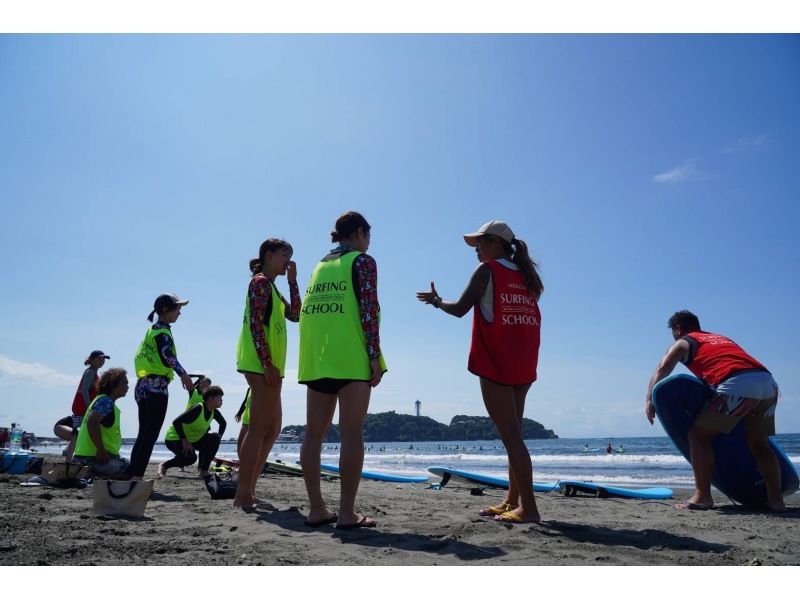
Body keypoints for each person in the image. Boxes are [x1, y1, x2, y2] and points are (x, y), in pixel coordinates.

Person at [417, 220, 543, 524]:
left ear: (496, 244)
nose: (476, 250)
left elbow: (460, 309)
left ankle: (530, 508)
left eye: (481, 243)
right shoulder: (527, 276)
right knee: (516, 436)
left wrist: (436, 302)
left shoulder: (487, 271)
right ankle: (512, 500)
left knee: (512, 438)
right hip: (524, 363)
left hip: (497, 362)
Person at [645, 310, 785, 512]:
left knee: (698, 435)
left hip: (737, 383)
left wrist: (650, 398)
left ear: (677, 329)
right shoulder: (719, 338)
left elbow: (662, 368)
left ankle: (702, 497)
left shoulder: (684, 342)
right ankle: (776, 501)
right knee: (759, 443)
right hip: (768, 383)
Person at [299, 211, 387, 529]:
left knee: (313, 433)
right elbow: (367, 310)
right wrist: (375, 357)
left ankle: (316, 508)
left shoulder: (319, 266)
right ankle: (347, 513)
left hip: (316, 357)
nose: (369, 241)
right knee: (351, 433)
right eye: (368, 235)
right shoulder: (363, 261)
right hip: (351, 356)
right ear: (360, 233)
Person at [234, 238, 300, 509]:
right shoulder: (260, 282)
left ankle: (249, 489)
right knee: (259, 429)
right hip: (262, 366)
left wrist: (293, 281)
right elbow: (254, 324)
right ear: (269, 255)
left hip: (270, 366)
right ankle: (243, 494)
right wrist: (267, 362)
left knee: (272, 429)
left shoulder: (271, 286)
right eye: (285, 256)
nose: (288, 261)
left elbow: (295, 315)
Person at [128, 294, 193, 480]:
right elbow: (167, 356)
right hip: (156, 388)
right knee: (149, 436)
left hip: (142, 386)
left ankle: (133, 473)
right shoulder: (162, 332)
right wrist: (183, 374)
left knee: (144, 434)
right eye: (177, 308)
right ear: (165, 310)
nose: (179, 312)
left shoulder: (152, 330)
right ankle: (135, 477)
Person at [158, 385, 226, 479]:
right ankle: (164, 465)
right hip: (175, 439)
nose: (222, 400)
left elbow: (223, 423)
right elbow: (176, 422)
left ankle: (204, 472)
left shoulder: (214, 412)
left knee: (215, 439)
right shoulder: (198, 408)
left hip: (193, 440)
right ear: (211, 398)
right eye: (220, 398)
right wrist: (184, 441)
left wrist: (219, 436)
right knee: (191, 458)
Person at [72, 368, 130, 477]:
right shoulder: (105, 401)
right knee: (132, 470)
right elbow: (92, 422)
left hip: (84, 457)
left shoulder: (101, 400)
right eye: (124, 383)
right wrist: (101, 450)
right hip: (93, 458)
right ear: (113, 384)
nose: (127, 386)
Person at [65, 350, 110, 461]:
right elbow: (84, 391)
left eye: (104, 359)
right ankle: (70, 460)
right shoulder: (90, 372)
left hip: (81, 409)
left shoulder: (93, 372)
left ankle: (70, 459)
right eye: (99, 358)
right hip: (82, 409)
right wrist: (90, 408)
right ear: (92, 360)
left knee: (77, 436)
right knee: (78, 436)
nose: (102, 361)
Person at [234, 388, 252, 459]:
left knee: (253, 444)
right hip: (246, 420)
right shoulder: (250, 388)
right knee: (240, 443)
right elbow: (245, 401)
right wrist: (239, 413)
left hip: (257, 420)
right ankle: (242, 463)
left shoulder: (262, 386)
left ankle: (254, 463)